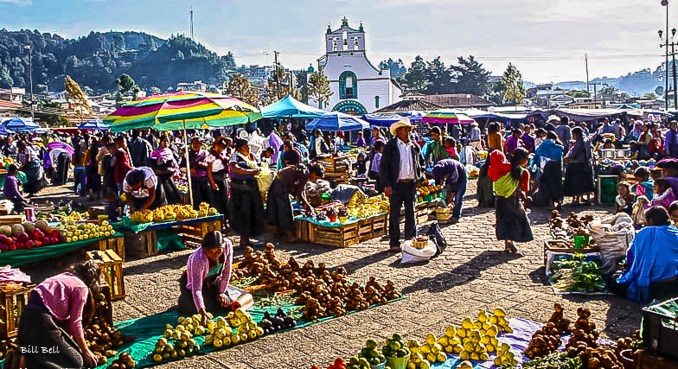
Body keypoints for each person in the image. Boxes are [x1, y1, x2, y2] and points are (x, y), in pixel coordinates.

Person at [15, 261, 101, 368]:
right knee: (77, 362)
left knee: (52, 352)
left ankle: (27, 356)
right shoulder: (81, 287)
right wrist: (85, 350)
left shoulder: (63, 276)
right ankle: (28, 360)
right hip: (42, 320)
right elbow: (75, 323)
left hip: (26, 319)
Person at [614, 207, 678, 303]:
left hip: (654, 285)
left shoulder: (646, 232)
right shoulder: (675, 231)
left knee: (615, 281)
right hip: (674, 284)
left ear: (651, 220)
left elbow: (632, 256)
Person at [379, 120, 424, 251]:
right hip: (396, 185)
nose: (406, 132)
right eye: (403, 129)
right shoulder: (391, 146)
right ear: (398, 132)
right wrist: (387, 184)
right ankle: (394, 242)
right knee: (394, 215)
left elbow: (421, 163)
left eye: (408, 129)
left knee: (411, 213)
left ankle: (410, 241)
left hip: (410, 184)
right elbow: (384, 167)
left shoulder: (414, 146)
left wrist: (419, 178)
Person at [177, 231, 234, 324]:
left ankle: (211, 296)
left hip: (213, 280)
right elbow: (197, 289)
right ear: (204, 249)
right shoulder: (198, 259)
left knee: (225, 305)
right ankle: (184, 300)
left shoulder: (227, 245)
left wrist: (221, 292)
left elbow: (227, 270)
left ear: (223, 247)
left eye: (218, 251)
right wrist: (202, 312)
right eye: (210, 252)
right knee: (207, 308)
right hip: (194, 283)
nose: (215, 255)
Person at [488, 148, 533, 253]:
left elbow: (492, 175)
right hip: (513, 200)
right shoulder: (523, 172)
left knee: (503, 220)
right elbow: (526, 189)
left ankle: (507, 242)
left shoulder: (501, 168)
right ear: (523, 160)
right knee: (517, 220)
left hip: (500, 199)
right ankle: (511, 241)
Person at [267, 164, 324, 242]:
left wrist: (306, 204)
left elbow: (302, 190)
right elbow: (299, 193)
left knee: (278, 208)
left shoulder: (304, 171)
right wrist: (308, 205)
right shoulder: (305, 172)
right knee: (285, 210)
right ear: (313, 173)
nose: (315, 180)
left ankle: (279, 231)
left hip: (277, 184)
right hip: (279, 186)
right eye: (316, 177)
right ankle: (289, 236)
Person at [229, 139, 265, 247]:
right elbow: (235, 169)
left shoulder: (252, 156)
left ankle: (249, 238)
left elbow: (259, 167)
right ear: (239, 148)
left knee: (253, 213)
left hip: (252, 187)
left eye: (248, 146)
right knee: (243, 214)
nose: (248, 148)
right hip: (240, 189)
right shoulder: (235, 156)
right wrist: (250, 172)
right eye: (245, 146)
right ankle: (243, 240)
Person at [531, 131, 564, 210]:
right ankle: (559, 203)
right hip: (557, 167)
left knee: (547, 184)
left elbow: (538, 152)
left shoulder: (545, 144)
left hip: (548, 167)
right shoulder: (559, 145)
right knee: (557, 184)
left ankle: (551, 204)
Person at [564, 127, 594, 205]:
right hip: (586, 163)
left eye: (573, 134)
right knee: (585, 182)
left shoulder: (579, 142)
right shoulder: (586, 140)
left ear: (576, 134)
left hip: (578, 164)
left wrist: (567, 158)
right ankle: (585, 199)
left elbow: (574, 153)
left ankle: (576, 200)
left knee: (576, 183)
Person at [432, 158, 467, 223]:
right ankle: (447, 212)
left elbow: (454, 185)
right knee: (447, 193)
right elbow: (437, 181)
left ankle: (456, 216)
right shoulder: (436, 168)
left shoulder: (452, 169)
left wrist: (450, 198)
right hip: (450, 176)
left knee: (458, 196)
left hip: (461, 176)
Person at [150, 134, 180, 205]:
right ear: (160, 142)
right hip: (160, 179)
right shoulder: (155, 154)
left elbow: (174, 164)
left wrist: (175, 171)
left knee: (172, 196)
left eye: (168, 141)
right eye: (165, 141)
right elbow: (153, 168)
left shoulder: (169, 152)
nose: (166, 143)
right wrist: (165, 171)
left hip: (169, 179)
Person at [206, 136, 231, 219]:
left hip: (223, 178)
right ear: (215, 145)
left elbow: (229, 141)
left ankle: (226, 219)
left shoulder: (222, 154)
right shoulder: (211, 155)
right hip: (215, 178)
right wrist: (213, 183)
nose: (220, 148)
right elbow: (209, 171)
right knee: (217, 200)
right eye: (218, 146)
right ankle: (219, 219)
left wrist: (222, 137)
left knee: (225, 199)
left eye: (222, 147)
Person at [189, 137, 210, 209]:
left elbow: (210, 166)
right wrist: (189, 170)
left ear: (201, 144)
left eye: (197, 143)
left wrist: (202, 164)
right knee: (195, 199)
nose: (195, 145)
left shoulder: (205, 153)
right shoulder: (188, 154)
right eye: (193, 143)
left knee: (205, 199)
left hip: (204, 180)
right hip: (193, 180)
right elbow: (181, 166)